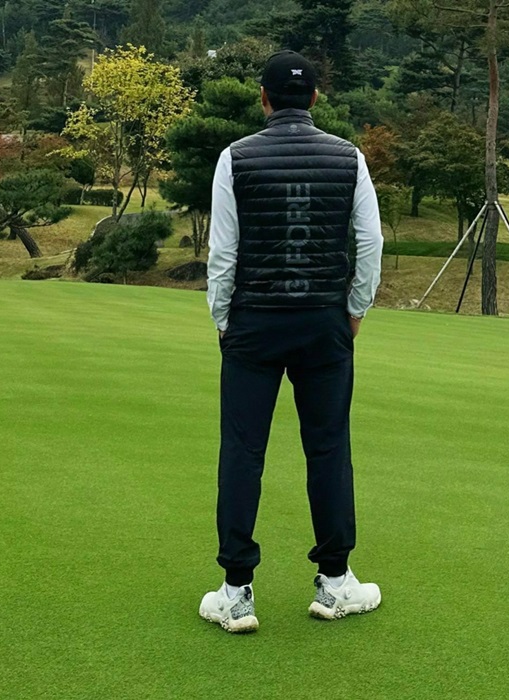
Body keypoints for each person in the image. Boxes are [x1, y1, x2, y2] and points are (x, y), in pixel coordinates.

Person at [199, 50, 384, 633]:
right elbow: (370, 242)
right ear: (316, 98)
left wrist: (222, 317)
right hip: (323, 324)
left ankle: (237, 592)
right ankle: (334, 583)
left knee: (242, 450)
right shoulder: (349, 157)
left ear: (264, 98)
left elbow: (223, 252)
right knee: (328, 448)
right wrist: (355, 309)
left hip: (254, 322)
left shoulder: (235, 157)